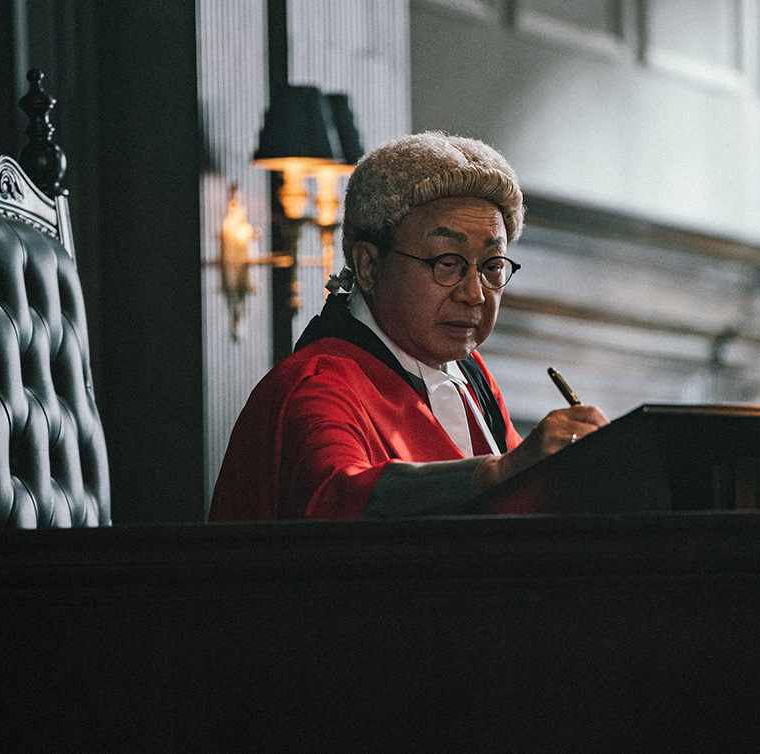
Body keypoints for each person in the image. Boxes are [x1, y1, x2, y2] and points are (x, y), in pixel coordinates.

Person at [209, 132, 608, 520]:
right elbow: (339, 504)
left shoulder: (471, 374)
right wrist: (500, 471)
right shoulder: (315, 385)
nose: (475, 293)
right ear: (368, 265)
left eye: (491, 266)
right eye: (446, 263)